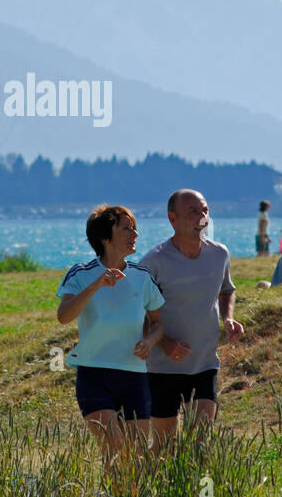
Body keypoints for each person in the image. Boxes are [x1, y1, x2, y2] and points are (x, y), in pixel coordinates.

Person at [57, 204, 164, 462]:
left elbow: (158, 323)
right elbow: (64, 316)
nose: (134, 234)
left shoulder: (142, 276)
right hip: (94, 376)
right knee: (115, 448)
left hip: (135, 378)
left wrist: (149, 341)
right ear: (105, 237)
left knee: (134, 455)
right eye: (126, 229)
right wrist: (97, 285)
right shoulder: (81, 274)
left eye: (135, 229)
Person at [139, 189, 243, 446]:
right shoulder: (154, 262)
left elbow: (227, 289)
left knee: (199, 442)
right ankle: (152, 485)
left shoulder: (219, 254)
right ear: (173, 219)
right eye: (193, 211)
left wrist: (228, 318)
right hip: (162, 367)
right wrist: (165, 343)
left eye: (205, 210)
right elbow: (136, 314)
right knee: (164, 447)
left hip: (204, 362)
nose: (202, 216)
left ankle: (198, 486)